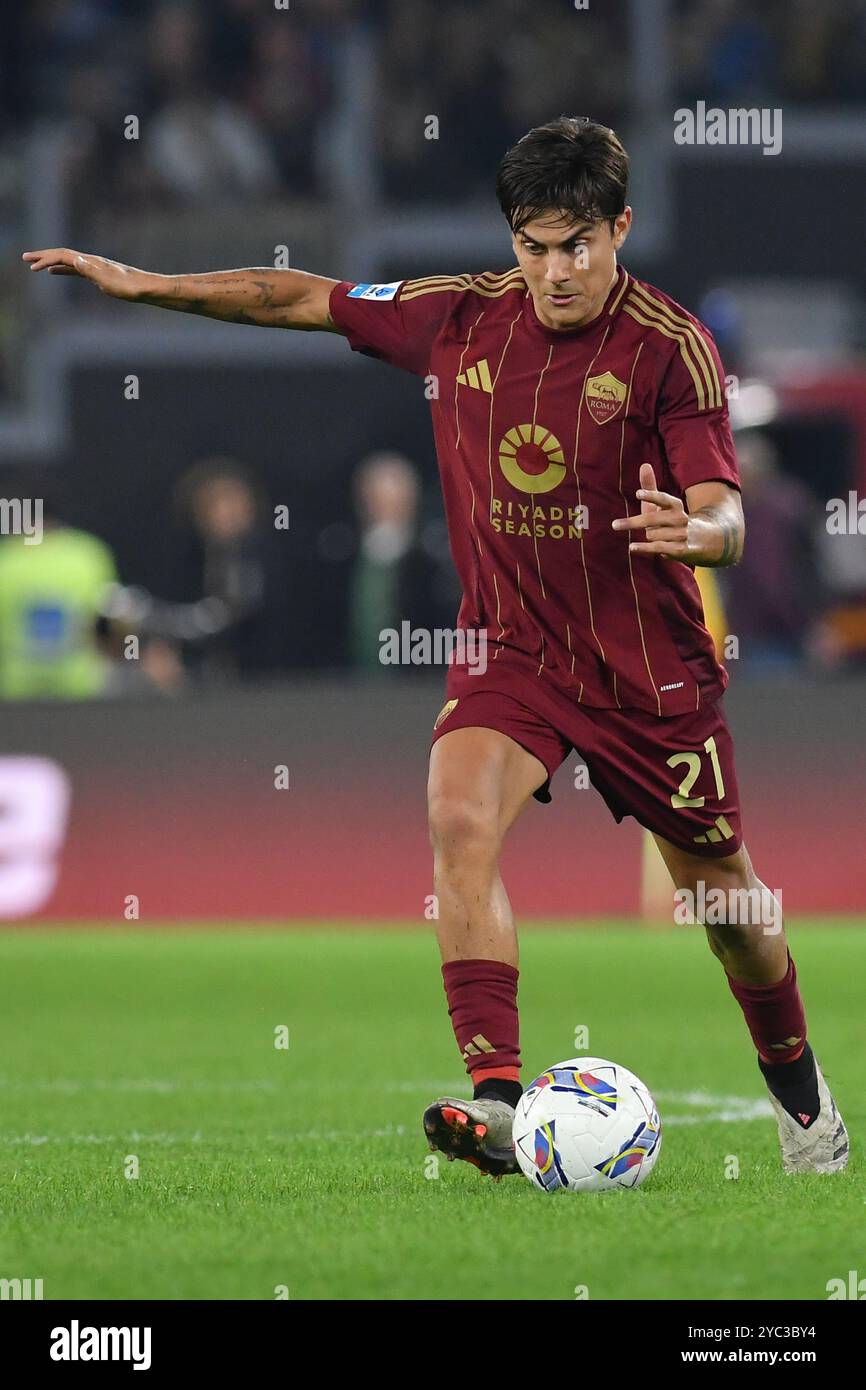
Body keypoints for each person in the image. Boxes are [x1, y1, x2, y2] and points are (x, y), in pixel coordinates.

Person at [23, 116, 848, 1178]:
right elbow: (301, 299)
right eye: (533, 245)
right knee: (457, 815)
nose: (552, 272)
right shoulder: (458, 319)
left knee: (727, 904)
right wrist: (150, 286)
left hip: (647, 670)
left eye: (576, 246)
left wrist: (706, 534)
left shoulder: (667, 347)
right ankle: (497, 1100)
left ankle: (802, 1102)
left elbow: (718, 501)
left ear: (620, 228)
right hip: (511, 655)